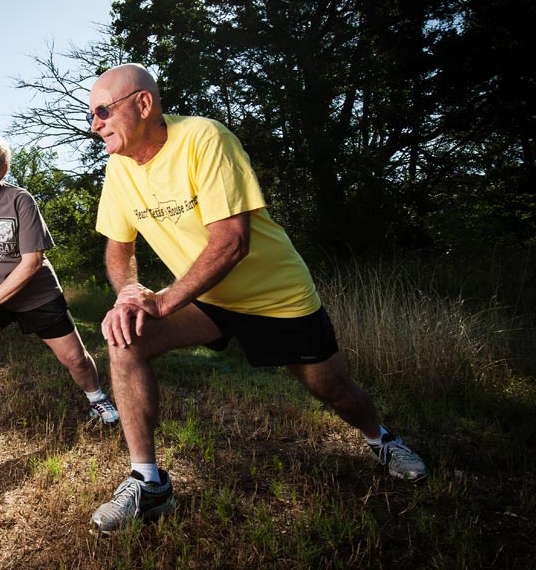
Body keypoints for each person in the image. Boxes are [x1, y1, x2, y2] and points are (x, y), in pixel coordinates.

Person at [85, 64, 427, 534]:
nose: (95, 124)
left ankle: (381, 439)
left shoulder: (205, 139)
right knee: (126, 339)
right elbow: (118, 246)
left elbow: (231, 242)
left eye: (103, 111)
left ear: (143, 105)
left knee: (334, 390)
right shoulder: (118, 167)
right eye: (91, 115)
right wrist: (129, 291)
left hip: (275, 296)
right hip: (206, 296)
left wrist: (161, 302)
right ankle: (149, 484)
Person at [0, 130, 119, 455]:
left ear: (2, 167)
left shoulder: (20, 200)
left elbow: (32, 261)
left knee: (75, 360)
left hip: (35, 295)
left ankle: (97, 398)